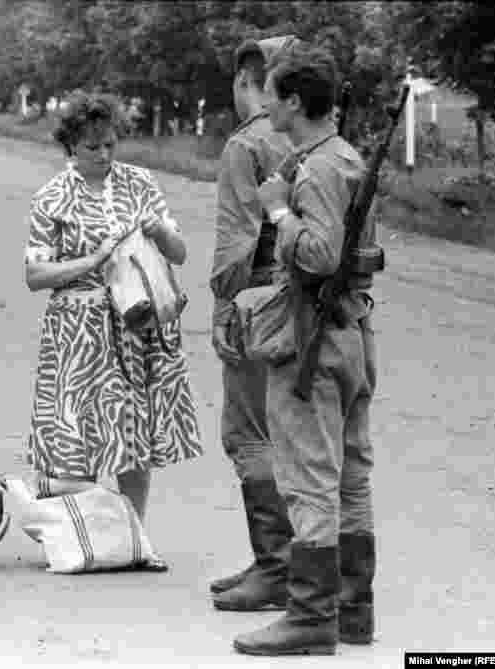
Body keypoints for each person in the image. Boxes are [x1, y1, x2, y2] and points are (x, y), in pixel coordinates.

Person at [232, 46, 380, 656]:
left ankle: (312, 615)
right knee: (352, 477)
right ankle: (353, 609)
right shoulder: (344, 159)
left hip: (312, 335)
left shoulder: (318, 170)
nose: (264, 104)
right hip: (352, 332)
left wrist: (276, 209)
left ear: (294, 102)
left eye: (271, 94)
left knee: (309, 479)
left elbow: (319, 255)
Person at [22, 91, 202, 563]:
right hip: (78, 329)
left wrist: (160, 231)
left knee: (132, 432)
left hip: (136, 325)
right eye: (92, 147)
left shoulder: (140, 183)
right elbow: (35, 275)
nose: (103, 155)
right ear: (71, 147)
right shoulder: (52, 197)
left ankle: (135, 539)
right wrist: (93, 260)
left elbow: (180, 253)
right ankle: (82, 539)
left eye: (110, 145)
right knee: (75, 433)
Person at [208, 36, 298, 612]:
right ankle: (287, 560)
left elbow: (239, 240)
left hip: (257, 300)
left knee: (248, 434)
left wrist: (224, 307)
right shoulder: (312, 137)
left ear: (246, 80)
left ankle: (275, 567)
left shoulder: (247, 144)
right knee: (293, 436)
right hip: (306, 299)